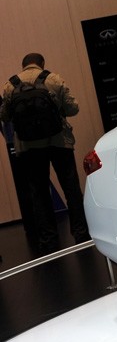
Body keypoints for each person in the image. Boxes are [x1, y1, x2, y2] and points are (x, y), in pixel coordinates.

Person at [0, 53, 89, 253]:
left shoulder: (10, 85)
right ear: (41, 64)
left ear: (23, 65)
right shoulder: (53, 79)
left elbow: (4, 116)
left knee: (39, 193)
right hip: (59, 142)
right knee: (71, 188)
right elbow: (73, 109)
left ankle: (49, 239)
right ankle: (81, 233)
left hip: (29, 147)